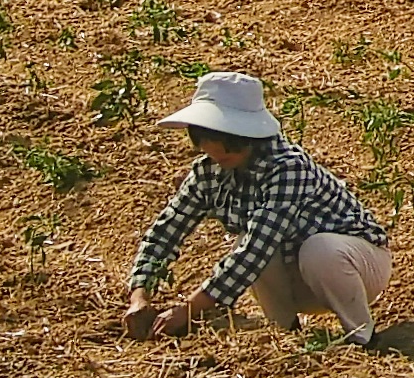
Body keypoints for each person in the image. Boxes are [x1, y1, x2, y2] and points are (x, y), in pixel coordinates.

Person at [113, 72, 395, 348]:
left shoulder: (287, 168)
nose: (218, 158)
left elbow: (256, 248)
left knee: (315, 248)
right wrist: (140, 295)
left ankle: (363, 337)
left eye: (227, 150)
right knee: (248, 245)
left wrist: (188, 310)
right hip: (297, 275)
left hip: (356, 266)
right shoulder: (209, 170)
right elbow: (167, 230)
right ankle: (287, 335)